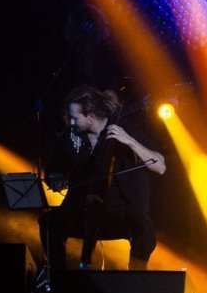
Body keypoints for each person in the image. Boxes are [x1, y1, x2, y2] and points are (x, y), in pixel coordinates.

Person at [41, 85, 166, 272]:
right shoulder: (71, 136)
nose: (70, 122)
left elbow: (160, 166)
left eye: (75, 118)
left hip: (120, 210)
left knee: (144, 229)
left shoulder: (125, 129)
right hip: (82, 208)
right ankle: (57, 277)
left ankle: (136, 280)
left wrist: (130, 141)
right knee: (50, 222)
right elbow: (54, 168)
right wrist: (55, 177)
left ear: (90, 117)